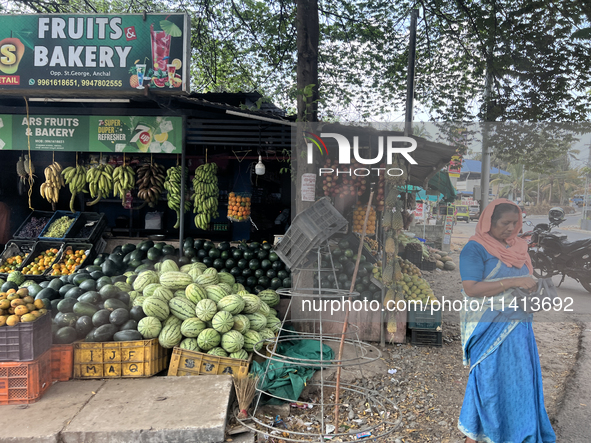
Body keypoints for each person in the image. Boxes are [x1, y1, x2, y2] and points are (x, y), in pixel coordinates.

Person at [458, 199, 556, 443]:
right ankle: (480, 434)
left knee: (519, 381)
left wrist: (537, 292)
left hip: (519, 325)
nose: (511, 228)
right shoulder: (475, 248)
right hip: (487, 325)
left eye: (516, 222)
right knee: (488, 379)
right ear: (489, 221)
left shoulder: (520, 247)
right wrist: (514, 282)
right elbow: (471, 288)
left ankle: (517, 431)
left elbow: (528, 279)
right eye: (505, 223)